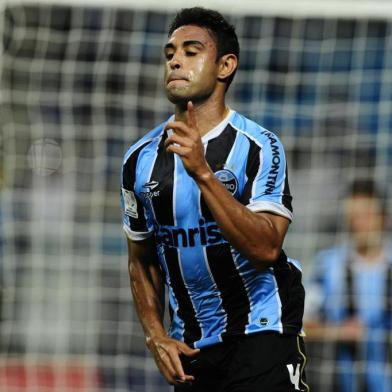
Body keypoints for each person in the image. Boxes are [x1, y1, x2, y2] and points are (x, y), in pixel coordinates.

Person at [121, 7, 307, 392]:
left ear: (225, 66)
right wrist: (155, 334)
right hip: (191, 347)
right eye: (170, 52)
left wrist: (202, 172)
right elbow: (141, 259)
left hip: (261, 333)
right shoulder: (138, 159)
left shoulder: (259, 147)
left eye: (191, 51)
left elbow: (267, 247)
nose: (175, 60)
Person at [305, 179, 392, 392]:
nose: (359, 224)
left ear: (384, 219)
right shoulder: (328, 266)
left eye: (366, 216)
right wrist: (339, 331)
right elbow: (301, 323)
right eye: (353, 217)